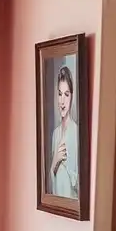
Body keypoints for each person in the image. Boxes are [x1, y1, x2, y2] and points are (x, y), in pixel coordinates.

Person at [48, 64, 79, 198]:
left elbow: (77, 184)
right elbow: (51, 181)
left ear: (71, 96)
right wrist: (55, 162)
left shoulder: (76, 132)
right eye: (60, 94)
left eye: (66, 94)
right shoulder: (55, 134)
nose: (62, 101)